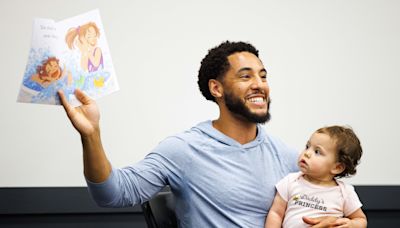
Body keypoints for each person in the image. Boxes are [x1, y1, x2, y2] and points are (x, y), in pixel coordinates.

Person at [58, 41, 346, 227]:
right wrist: (91, 134)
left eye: (263, 75)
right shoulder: (183, 150)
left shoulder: (288, 158)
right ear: (216, 89)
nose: (260, 84)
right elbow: (113, 194)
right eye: (246, 76)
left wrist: (348, 223)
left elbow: (331, 206)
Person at [265, 125, 367, 228]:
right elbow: (276, 213)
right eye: (307, 147)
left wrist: (351, 224)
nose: (307, 153)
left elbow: (361, 219)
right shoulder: (290, 181)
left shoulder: (344, 192)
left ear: (337, 167)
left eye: (317, 152)